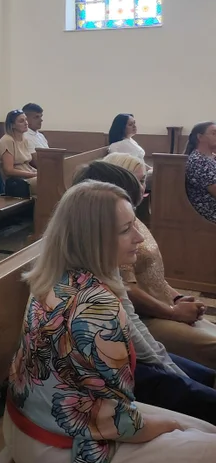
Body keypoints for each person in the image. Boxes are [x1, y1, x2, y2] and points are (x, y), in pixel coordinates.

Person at [6, 180, 216, 463]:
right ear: (94, 238)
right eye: (125, 230)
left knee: (201, 428)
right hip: (63, 453)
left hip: (28, 425)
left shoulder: (56, 273)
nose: (138, 237)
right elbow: (119, 421)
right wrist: (167, 423)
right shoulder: (96, 306)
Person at [86, 154, 216, 372]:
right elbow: (127, 290)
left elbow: (153, 275)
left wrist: (176, 296)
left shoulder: (134, 220)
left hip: (163, 305)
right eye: (136, 180)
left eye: (143, 179)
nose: (142, 186)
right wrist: (173, 311)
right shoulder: (113, 230)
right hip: (147, 314)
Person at [0, 109, 37, 194]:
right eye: (21, 121)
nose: (26, 123)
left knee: (51, 178)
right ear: (13, 125)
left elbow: (27, 164)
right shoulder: (7, 141)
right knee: (46, 183)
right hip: (16, 183)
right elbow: (9, 170)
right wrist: (33, 175)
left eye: (26, 119)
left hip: (28, 176)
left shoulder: (24, 139)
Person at [185, 121, 216, 224]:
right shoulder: (198, 161)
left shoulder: (210, 157)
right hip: (208, 215)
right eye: (214, 133)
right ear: (200, 137)